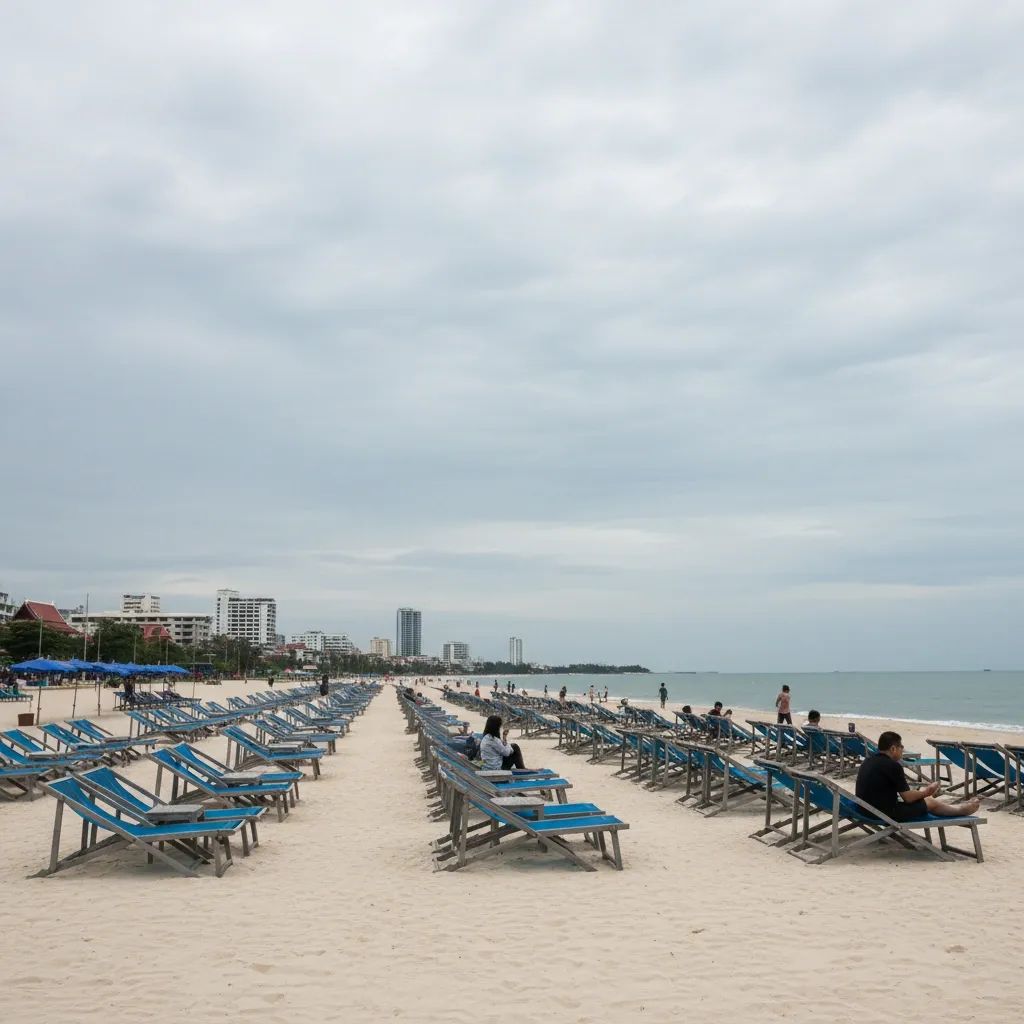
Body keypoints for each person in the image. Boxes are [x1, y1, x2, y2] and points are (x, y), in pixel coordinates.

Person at [856, 731, 980, 821]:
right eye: (901, 747)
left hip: (864, 809)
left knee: (925, 800)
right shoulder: (893, 766)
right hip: (882, 813)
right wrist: (927, 792)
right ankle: (961, 810)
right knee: (930, 802)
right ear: (893, 748)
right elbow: (908, 798)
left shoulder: (868, 761)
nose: (902, 749)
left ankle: (958, 807)